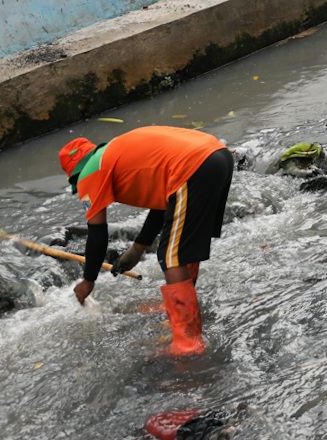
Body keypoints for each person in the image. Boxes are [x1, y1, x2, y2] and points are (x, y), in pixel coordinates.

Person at [59, 126, 234, 356]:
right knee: (182, 246)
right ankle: (181, 311)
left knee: (172, 255)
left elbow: (97, 232)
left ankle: (187, 341)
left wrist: (88, 281)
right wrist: (137, 249)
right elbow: (163, 206)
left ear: (75, 174)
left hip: (193, 167)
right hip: (217, 156)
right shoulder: (115, 153)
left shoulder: (90, 173)